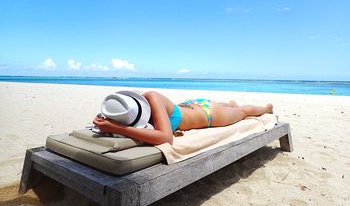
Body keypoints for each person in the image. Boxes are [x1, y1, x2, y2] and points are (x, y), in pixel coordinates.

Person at [93, 91, 273, 145]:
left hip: (208, 114)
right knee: (229, 106)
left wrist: (115, 128)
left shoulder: (152, 97)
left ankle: (265, 107)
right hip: (191, 106)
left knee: (243, 111)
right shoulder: (131, 108)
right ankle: (229, 104)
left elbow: (165, 138)